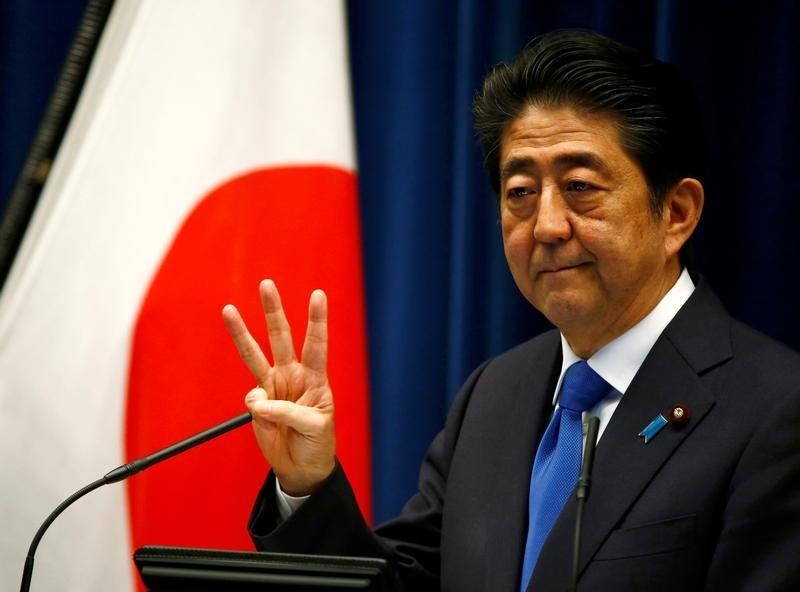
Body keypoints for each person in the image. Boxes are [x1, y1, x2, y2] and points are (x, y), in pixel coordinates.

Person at [222, 30, 800, 591]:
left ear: (675, 213)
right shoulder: (494, 395)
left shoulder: (775, 410)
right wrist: (307, 483)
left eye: (579, 186)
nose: (546, 226)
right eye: (520, 192)